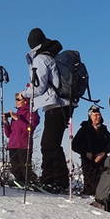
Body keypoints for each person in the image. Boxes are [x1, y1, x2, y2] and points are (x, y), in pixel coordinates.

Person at [23, 28, 73, 194]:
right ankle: (60, 181)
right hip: (63, 104)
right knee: (53, 143)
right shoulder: (50, 56)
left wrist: (24, 94)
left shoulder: (41, 59)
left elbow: (39, 87)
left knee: (48, 144)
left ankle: (52, 181)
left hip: (56, 105)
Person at [71, 105, 110, 195]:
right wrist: (85, 153)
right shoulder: (84, 129)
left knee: (103, 185)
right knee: (92, 187)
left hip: (102, 161)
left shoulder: (104, 129)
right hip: (88, 161)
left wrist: (103, 153)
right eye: (94, 115)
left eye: (99, 115)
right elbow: (74, 145)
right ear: (90, 116)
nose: (97, 117)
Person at [3, 92, 40, 186]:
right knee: (15, 167)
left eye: (18, 99)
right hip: (12, 145)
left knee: (25, 167)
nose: (16, 102)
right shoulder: (17, 114)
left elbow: (30, 129)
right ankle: (20, 182)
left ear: (25, 101)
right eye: (16, 99)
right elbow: (9, 134)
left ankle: (32, 182)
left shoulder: (31, 113)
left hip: (24, 145)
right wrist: (6, 122)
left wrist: (17, 119)